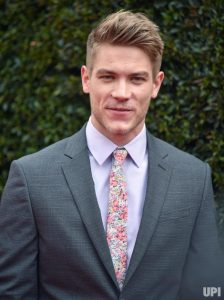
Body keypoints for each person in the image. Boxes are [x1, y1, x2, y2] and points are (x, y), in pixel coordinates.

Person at [0, 10, 223, 300]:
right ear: (86, 79)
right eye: (108, 76)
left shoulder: (193, 177)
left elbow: (206, 290)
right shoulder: (31, 178)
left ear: (156, 84)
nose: (121, 92)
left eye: (136, 79)